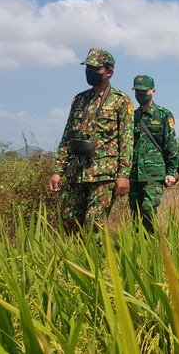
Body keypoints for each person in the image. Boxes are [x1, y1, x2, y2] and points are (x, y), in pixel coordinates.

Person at [49, 48, 134, 237]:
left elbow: (126, 141)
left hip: (104, 173)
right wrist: (58, 170)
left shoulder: (121, 101)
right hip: (76, 171)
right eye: (87, 68)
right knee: (68, 217)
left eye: (95, 69)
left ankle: (99, 263)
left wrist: (124, 175)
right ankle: (79, 258)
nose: (89, 72)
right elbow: (67, 136)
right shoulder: (79, 100)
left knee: (94, 223)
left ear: (109, 71)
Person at [129, 75, 179, 234]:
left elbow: (170, 143)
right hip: (134, 173)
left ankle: (157, 241)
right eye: (137, 91)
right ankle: (140, 247)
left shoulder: (163, 114)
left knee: (148, 208)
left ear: (153, 91)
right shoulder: (132, 116)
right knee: (136, 212)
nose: (140, 94)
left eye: (144, 91)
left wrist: (171, 172)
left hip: (154, 172)